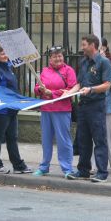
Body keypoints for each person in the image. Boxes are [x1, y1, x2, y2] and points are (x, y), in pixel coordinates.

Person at [65, 34, 111, 183]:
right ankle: (83, 170)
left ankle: (102, 172)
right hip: (83, 106)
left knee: (99, 139)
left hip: (96, 106)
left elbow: (107, 85)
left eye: (84, 44)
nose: (82, 47)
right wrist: (69, 92)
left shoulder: (104, 62)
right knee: (83, 139)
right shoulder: (83, 62)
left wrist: (91, 89)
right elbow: (79, 84)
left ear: (93, 45)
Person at [0, 43, 31, 174]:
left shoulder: (7, 67)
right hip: (1, 110)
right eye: (3, 53)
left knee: (12, 137)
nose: (6, 55)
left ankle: (18, 165)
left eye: (6, 52)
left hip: (11, 109)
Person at [33, 46, 77, 178]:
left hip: (62, 110)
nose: (58, 58)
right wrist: (40, 90)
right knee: (46, 139)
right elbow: (36, 88)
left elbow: (70, 89)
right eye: (55, 56)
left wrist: (51, 93)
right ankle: (44, 166)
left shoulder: (69, 71)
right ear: (50, 59)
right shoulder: (45, 71)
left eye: (60, 56)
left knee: (63, 139)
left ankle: (67, 168)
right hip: (46, 109)